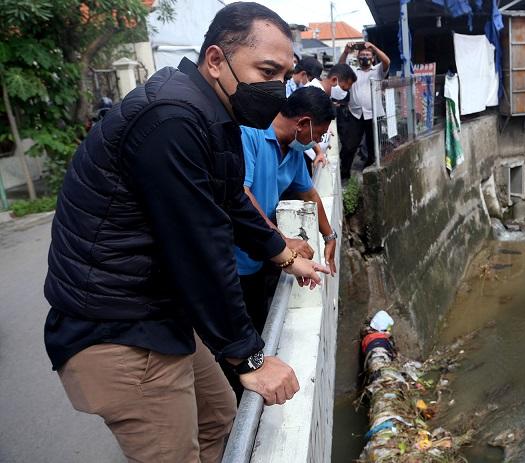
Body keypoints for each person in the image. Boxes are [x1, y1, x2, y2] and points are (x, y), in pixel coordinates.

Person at [43, 3, 327, 462]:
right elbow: (201, 243)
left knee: (220, 418)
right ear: (216, 60)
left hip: (158, 313)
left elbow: (231, 198)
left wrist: (284, 255)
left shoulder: (211, 113)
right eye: (267, 70)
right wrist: (249, 357)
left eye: (285, 75)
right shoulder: (173, 118)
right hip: (120, 330)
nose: (277, 89)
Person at [228, 86, 338, 399]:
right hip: (231, 260)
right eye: (318, 133)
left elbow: (310, 194)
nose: (317, 141)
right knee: (236, 341)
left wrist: (329, 235)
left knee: (260, 327)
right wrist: (283, 239)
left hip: (260, 260)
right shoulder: (249, 135)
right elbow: (242, 194)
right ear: (303, 123)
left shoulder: (292, 154)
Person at [337, 41, 390, 180]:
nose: (365, 57)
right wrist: (346, 51)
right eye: (362, 55)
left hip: (374, 114)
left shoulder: (378, 70)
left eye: (368, 55)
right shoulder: (353, 71)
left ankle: (370, 171)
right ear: (358, 58)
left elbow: (386, 61)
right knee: (349, 145)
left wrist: (373, 47)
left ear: (372, 58)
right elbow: (340, 67)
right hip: (356, 114)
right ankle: (344, 173)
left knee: (373, 147)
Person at [303, 63, 359, 172]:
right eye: (343, 88)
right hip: (304, 154)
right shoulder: (313, 94)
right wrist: (319, 150)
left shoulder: (323, 95)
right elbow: (305, 128)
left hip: (310, 153)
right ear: (334, 80)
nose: (344, 93)